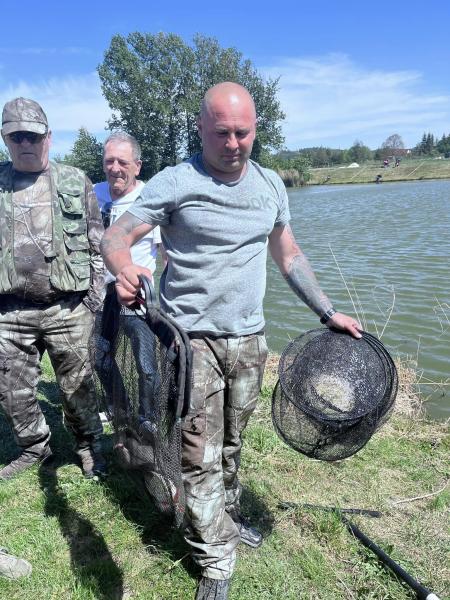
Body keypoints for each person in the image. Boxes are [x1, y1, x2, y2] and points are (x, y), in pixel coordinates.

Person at [100, 82, 362, 600]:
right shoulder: (176, 182)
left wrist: (328, 311)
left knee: (233, 443)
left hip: (248, 342)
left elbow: (289, 255)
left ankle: (225, 517)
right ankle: (214, 560)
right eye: (222, 132)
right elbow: (115, 237)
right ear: (201, 129)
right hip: (189, 342)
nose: (234, 143)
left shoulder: (269, 185)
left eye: (243, 132)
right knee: (200, 450)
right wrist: (124, 267)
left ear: (255, 129)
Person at [0, 97, 105, 481]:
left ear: (49, 137)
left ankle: (90, 446)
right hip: (9, 311)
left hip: (69, 306)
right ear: (6, 139)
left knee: (79, 386)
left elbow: (98, 244)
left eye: (34, 135)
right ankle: (34, 447)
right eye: (17, 137)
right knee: (12, 388)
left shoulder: (76, 181)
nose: (26, 143)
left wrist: (93, 302)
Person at [93, 132, 165, 423]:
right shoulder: (91, 194)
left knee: (146, 363)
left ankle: (149, 418)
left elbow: (167, 253)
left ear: (137, 165)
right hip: (100, 292)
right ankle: (117, 408)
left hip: (137, 293)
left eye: (122, 161)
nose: (115, 168)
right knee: (100, 355)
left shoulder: (152, 199)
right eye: (109, 161)